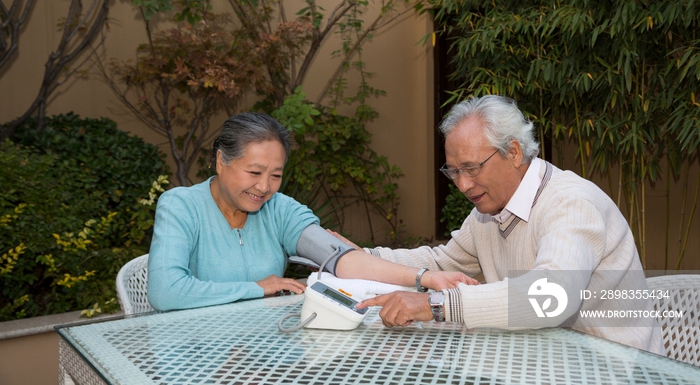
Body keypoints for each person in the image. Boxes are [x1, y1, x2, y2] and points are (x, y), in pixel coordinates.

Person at [336, 95, 664, 355]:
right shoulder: (488, 213)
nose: (463, 185)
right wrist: (356, 256)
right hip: (545, 362)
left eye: (472, 167)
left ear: (514, 152)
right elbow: (437, 264)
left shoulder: (570, 202)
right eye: (453, 172)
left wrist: (438, 305)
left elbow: (551, 296)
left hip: (618, 369)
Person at [148, 112, 472, 311]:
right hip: (195, 352)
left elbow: (343, 258)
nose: (264, 187)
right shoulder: (181, 206)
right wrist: (257, 288)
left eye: (276, 175)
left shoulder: (279, 209)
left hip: (267, 354)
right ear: (221, 161)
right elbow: (166, 291)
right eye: (254, 172)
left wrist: (425, 277)